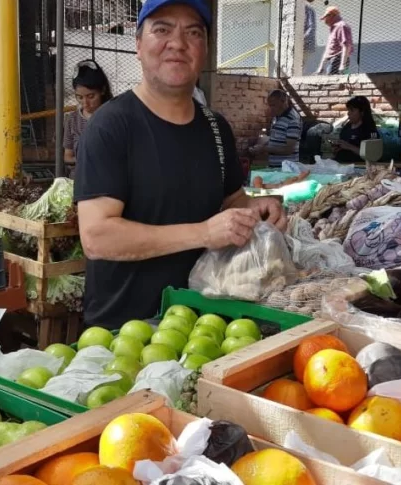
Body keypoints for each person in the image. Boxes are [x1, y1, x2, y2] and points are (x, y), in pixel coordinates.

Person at [74, 0, 287, 330]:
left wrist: (258, 209)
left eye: (193, 32)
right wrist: (203, 233)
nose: (178, 42)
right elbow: (97, 236)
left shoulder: (216, 128)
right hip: (125, 332)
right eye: (162, 29)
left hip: (210, 324)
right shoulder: (111, 126)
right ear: (138, 45)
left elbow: (231, 202)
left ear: (203, 50)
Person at [63, 60, 113, 173]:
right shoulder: (72, 120)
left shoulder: (113, 117)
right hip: (79, 179)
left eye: (91, 96)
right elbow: (67, 156)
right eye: (79, 97)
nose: (85, 103)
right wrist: (86, 162)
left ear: (103, 90)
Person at [248, 90, 302, 168]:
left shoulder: (292, 120)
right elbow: (276, 139)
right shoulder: (276, 117)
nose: (271, 108)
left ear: (283, 102)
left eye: (273, 105)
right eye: (270, 105)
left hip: (287, 169)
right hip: (275, 167)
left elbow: (288, 150)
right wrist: (262, 144)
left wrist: (264, 149)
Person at [332, 96, 381, 163]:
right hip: (341, 166)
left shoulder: (369, 130)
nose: (348, 113)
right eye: (348, 110)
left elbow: (371, 155)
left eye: (352, 110)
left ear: (362, 112)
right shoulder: (346, 127)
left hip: (360, 167)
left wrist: (349, 147)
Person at [316, 7, 353, 75]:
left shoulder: (341, 26)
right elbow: (329, 49)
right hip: (333, 60)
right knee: (331, 80)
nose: (325, 21)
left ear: (331, 15)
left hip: (339, 59)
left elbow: (346, 45)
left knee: (332, 82)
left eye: (325, 18)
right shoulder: (333, 28)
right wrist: (321, 66)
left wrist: (342, 65)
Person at [303, 0, 317, 73]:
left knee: (300, 67)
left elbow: (312, 27)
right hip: (301, 43)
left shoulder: (308, 8)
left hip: (305, 43)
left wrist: (302, 39)